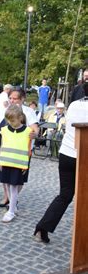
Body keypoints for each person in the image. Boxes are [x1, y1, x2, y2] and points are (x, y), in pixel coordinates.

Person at [34, 82, 88, 243]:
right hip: (82, 156)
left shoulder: (73, 105)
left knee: (65, 195)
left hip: (66, 154)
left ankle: (42, 228)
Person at [0, 88, 39, 208]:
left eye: (15, 98)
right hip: (3, 148)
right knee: (3, 174)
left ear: (22, 99)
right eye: (10, 98)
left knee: (19, 176)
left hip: (21, 151)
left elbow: (34, 127)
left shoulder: (28, 112)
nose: (12, 101)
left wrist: (35, 133)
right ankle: (7, 197)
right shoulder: (4, 111)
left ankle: (14, 197)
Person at [0, 105, 33, 223]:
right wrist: (0, 161)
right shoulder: (5, 130)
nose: (10, 123)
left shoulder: (28, 131)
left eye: (12, 120)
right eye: (8, 120)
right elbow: (2, 146)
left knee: (13, 188)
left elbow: (28, 149)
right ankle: (13, 207)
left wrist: (25, 165)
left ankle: (11, 211)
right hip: (6, 162)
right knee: (7, 186)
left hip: (18, 164)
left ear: (20, 117)